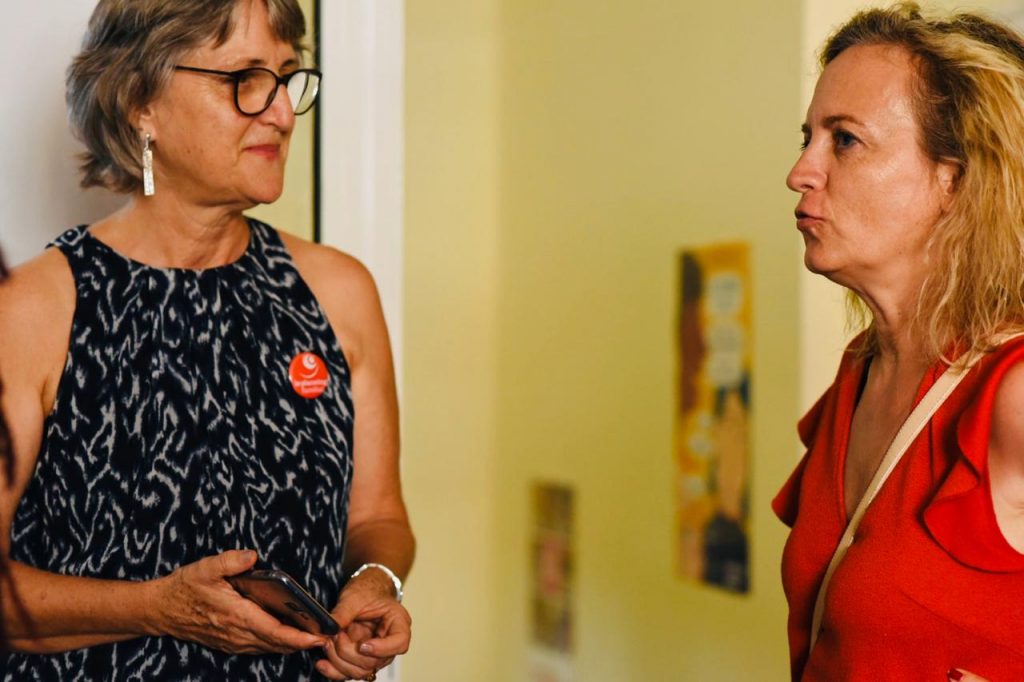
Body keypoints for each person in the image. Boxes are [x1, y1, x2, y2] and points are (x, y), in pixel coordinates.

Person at [0, 1, 414, 679]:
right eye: (244, 80)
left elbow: (378, 517)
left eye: (287, 77)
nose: (282, 114)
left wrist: (374, 582)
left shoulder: (340, 293)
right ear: (139, 103)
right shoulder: (32, 309)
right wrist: (156, 608)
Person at [775, 4, 1024, 681]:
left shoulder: (1011, 393)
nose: (801, 171)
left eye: (844, 140)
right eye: (807, 138)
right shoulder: (859, 372)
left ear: (954, 178)